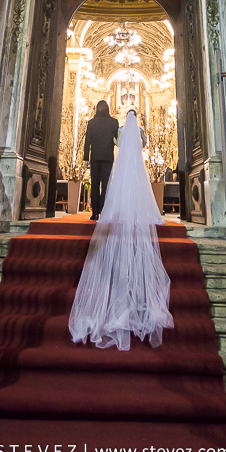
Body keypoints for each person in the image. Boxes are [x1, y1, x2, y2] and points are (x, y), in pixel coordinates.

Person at [69, 109, 174, 350]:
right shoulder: (138, 131)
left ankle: (101, 210)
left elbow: (117, 143)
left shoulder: (120, 130)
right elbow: (143, 145)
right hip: (135, 170)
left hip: (114, 163)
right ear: (137, 118)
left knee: (110, 188)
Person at [83, 100, 119, 220]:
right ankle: (104, 211)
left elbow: (87, 141)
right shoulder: (113, 122)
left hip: (95, 157)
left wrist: (86, 158)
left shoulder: (92, 123)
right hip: (108, 157)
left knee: (94, 184)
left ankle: (94, 213)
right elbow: (117, 140)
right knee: (106, 185)